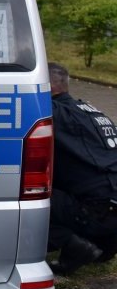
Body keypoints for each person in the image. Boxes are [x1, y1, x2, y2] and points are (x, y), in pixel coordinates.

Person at [47, 63, 117, 274]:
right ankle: (104, 245)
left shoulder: (57, 113)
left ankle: (73, 244)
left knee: (28, 196)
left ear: (47, 88)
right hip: (109, 210)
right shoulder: (93, 112)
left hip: (97, 212)